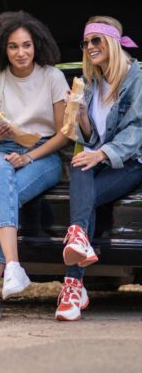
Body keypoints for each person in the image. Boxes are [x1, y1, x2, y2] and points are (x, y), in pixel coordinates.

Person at [0, 11, 69, 320]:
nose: (21, 53)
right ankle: (13, 269)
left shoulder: (52, 77)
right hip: (4, 147)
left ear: (36, 45)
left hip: (44, 154)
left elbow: (64, 134)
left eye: (26, 45)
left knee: (2, 197)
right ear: (3, 48)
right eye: (14, 47)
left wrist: (29, 156)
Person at [55, 16, 142, 321]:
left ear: (113, 43)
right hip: (100, 160)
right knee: (80, 165)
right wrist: (78, 114)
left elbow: (136, 132)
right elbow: (90, 137)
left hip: (131, 162)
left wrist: (101, 154)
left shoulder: (137, 78)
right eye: (86, 42)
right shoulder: (90, 83)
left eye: (96, 40)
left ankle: (73, 286)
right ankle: (76, 258)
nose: (89, 46)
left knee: (85, 168)